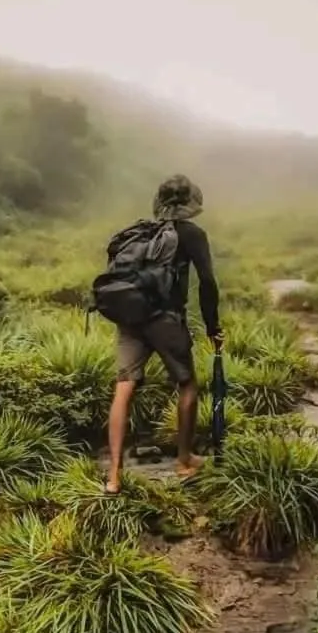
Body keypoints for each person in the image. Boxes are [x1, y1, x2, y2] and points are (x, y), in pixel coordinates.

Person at [105, 174, 223, 494]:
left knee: (124, 387)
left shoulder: (140, 232)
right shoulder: (191, 234)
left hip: (130, 316)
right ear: (190, 203)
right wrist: (213, 327)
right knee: (186, 385)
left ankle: (113, 478)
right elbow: (208, 283)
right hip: (165, 319)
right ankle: (184, 461)